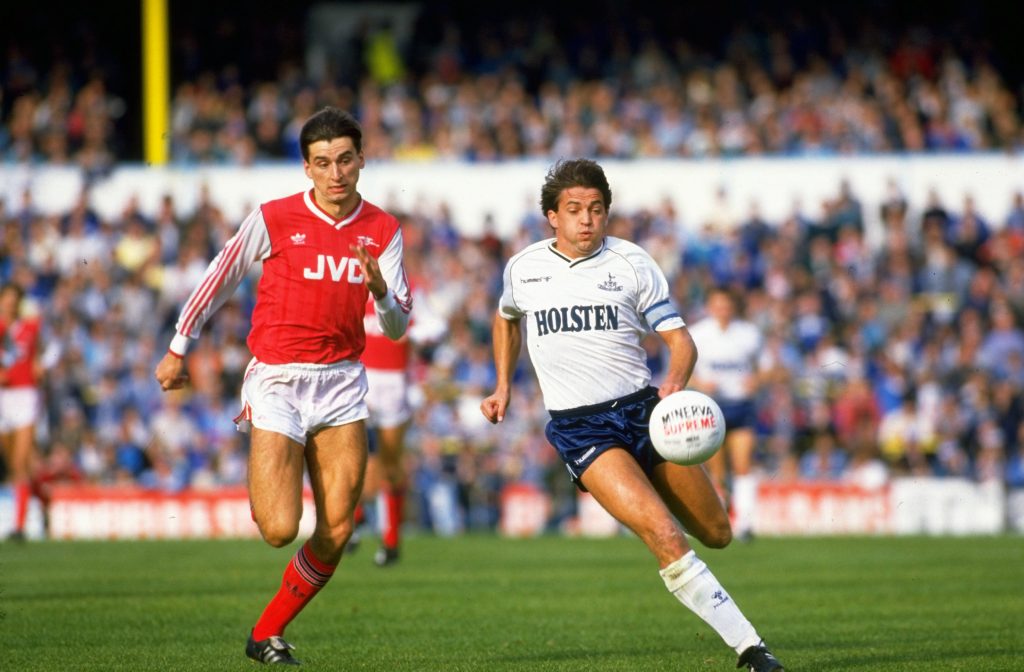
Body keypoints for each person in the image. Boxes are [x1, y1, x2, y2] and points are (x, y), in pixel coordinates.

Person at [480, 159, 784, 672]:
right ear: (552, 216)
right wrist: (503, 384)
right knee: (664, 535)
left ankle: (702, 579)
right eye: (574, 210)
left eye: (596, 210)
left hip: (645, 413)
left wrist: (673, 385)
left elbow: (680, 342)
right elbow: (506, 318)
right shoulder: (523, 268)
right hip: (583, 428)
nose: (586, 220)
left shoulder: (633, 262)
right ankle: (752, 649)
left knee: (717, 533)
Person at [154, 107, 412, 665]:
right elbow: (221, 274)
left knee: (338, 527)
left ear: (361, 161)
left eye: (345, 160)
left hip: (343, 382)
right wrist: (180, 344)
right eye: (323, 163)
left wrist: (382, 292)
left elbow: (398, 324)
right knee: (277, 529)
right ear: (307, 168)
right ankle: (273, 491)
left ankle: (265, 631)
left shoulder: (384, 230)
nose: (335, 173)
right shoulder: (275, 218)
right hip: (278, 377)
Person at [687, 287, 765, 540]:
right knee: (717, 472)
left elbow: (768, 367)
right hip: (711, 407)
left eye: (726, 304)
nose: (722, 309)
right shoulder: (698, 333)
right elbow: (683, 370)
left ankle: (745, 524)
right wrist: (700, 384)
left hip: (741, 404)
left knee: (743, 465)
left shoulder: (749, 334)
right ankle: (724, 508)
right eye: (717, 304)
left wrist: (757, 380)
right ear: (709, 307)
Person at [357, 291, 413, 566]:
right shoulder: (352, 282)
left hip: (392, 381)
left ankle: (391, 540)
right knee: (351, 450)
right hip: (359, 374)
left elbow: (433, 325)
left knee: (390, 461)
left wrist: (411, 332)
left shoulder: (405, 289)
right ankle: (354, 514)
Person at [0, 283, 43, 542]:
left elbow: (40, 354)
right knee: (10, 462)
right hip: (3, 396)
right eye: (7, 299)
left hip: (25, 394)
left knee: (19, 461)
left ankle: (19, 525)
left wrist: (39, 367)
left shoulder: (30, 328)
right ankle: (31, 503)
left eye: (14, 299)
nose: (10, 304)